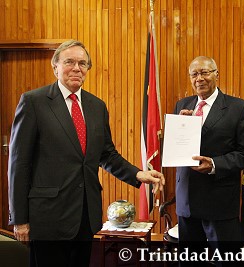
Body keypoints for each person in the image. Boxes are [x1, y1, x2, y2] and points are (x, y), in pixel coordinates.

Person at [8, 40, 165, 267]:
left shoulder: (96, 106)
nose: (76, 68)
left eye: (82, 63)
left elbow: (107, 155)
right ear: (55, 67)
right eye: (69, 62)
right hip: (48, 219)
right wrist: (20, 219)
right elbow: (18, 164)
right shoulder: (34, 102)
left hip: (86, 216)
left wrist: (139, 174)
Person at [173, 56, 244, 264]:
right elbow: (178, 148)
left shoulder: (239, 108)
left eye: (205, 72)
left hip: (219, 202)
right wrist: (177, 129)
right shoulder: (182, 105)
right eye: (194, 74)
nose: (199, 78)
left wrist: (214, 164)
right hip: (186, 203)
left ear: (216, 75)